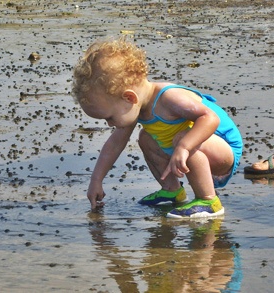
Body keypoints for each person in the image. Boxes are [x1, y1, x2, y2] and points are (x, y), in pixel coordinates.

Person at [71, 37, 243, 218]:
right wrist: (96, 180)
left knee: (181, 138)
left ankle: (209, 200)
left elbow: (210, 118)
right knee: (146, 138)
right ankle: (172, 190)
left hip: (223, 150)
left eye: (109, 117)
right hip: (194, 149)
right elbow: (114, 145)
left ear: (129, 98)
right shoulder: (135, 108)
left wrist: (184, 147)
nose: (109, 124)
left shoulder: (169, 98)